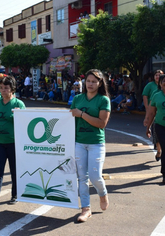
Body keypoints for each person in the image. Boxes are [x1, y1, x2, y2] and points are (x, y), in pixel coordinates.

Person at [70, 69, 110, 222]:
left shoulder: (103, 100)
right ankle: (85, 209)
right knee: (82, 177)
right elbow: (70, 120)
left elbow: (101, 123)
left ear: (100, 84)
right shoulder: (77, 99)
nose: (90, 84)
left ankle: (103, 193)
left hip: (96, 144)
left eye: (94, 81)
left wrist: (81, 114)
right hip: (79, 143)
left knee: (95, 176)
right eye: (88, 81)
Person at [0, 76, 26, 209]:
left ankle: (15, 194)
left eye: (6, 88)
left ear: (12, 89)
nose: (3, 90)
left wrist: (20, 116)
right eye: (1, 88)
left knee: (15, 170)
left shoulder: (19, 104)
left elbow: (26, 124)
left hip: (14, 143)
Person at [142, 69, 164, 161]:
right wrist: (147, 108)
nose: (158, 77)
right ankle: (159, 150)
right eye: (156, 75)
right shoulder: (151, 86)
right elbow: (145, 95)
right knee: (156, 132)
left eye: (160, 75)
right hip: (154, 111)